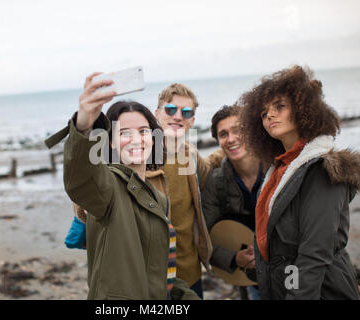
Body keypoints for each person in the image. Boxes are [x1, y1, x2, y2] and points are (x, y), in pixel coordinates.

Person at [47, 72, 199, 300]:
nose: (136, 139)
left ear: (154, 137)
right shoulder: (109, 187)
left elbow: (158, 269)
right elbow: (81, 180)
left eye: (143, 131)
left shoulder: (158, 198)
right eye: (124, 132)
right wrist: (84, 125)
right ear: (110, 141)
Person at [238, 65, 360, 300]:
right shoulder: (280, 169)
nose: (270, 116)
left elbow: (314, 254)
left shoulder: (322, 169)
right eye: (264, 112)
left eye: (280, 106)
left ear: (303, 108)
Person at [155, 83, 223, 298]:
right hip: (152, 278)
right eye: (170, 109)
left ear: (192, 121)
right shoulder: (138, 157)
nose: (177, 116)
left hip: (189, 272)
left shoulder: (190, 155)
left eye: (186, 112)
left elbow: (210, 168)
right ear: (157, 114)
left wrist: (236, 143)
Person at [201, 104, 265, 300]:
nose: (231, 139)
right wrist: (234, 258)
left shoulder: (279, 168)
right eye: (223, 134)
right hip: (253, 278)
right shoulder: (215, 182)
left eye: (238, 130)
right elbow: (204, 240)